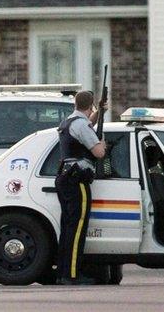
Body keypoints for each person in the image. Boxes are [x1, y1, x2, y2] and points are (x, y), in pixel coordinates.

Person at [55, 91, 107, 285]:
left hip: (65, 177)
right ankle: (73, 275)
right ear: (90, 105)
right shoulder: (81, 125)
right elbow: (99, 153)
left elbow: (86, 125)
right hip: (77, 181)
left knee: (68, 228)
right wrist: (102, 143)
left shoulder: (69, 121)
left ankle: (63, 273)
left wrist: (99, 113)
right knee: (77, 228)